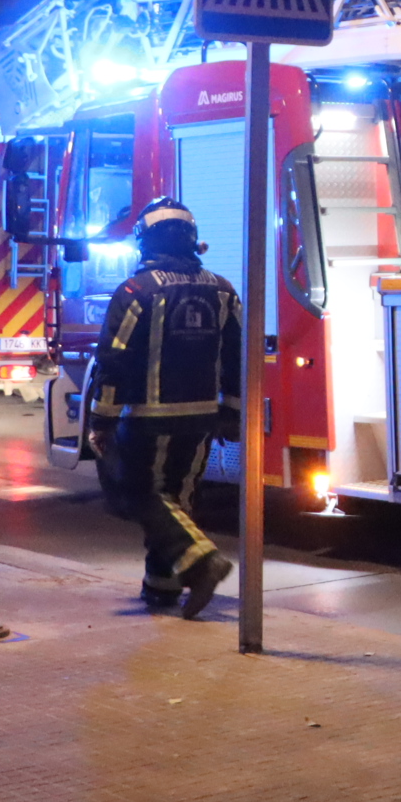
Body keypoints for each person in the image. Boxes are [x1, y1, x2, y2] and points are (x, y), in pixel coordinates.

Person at [86, 198, 242, 619]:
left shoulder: (136, 292)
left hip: (147, 417)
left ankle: (202, 558)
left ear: (145, 241)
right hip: (204, 416)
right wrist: (233, 411)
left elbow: (114, 360)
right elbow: (237, 358)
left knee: (138, 493)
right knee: (178, 498)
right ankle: (162, 589)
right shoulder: (224, 290)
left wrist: (101, 418)